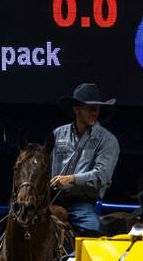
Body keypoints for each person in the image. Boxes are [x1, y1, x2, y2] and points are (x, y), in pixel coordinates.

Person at [50, 82, 119, 236]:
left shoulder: (107, 140)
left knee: (93, 229)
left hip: (82, 202)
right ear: (76, 109)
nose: (95, 112)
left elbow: (102, 175)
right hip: (52, 198)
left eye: (97, 108)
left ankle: (76, 259)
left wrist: (71, 179)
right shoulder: (58, 134)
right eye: (90, 108)